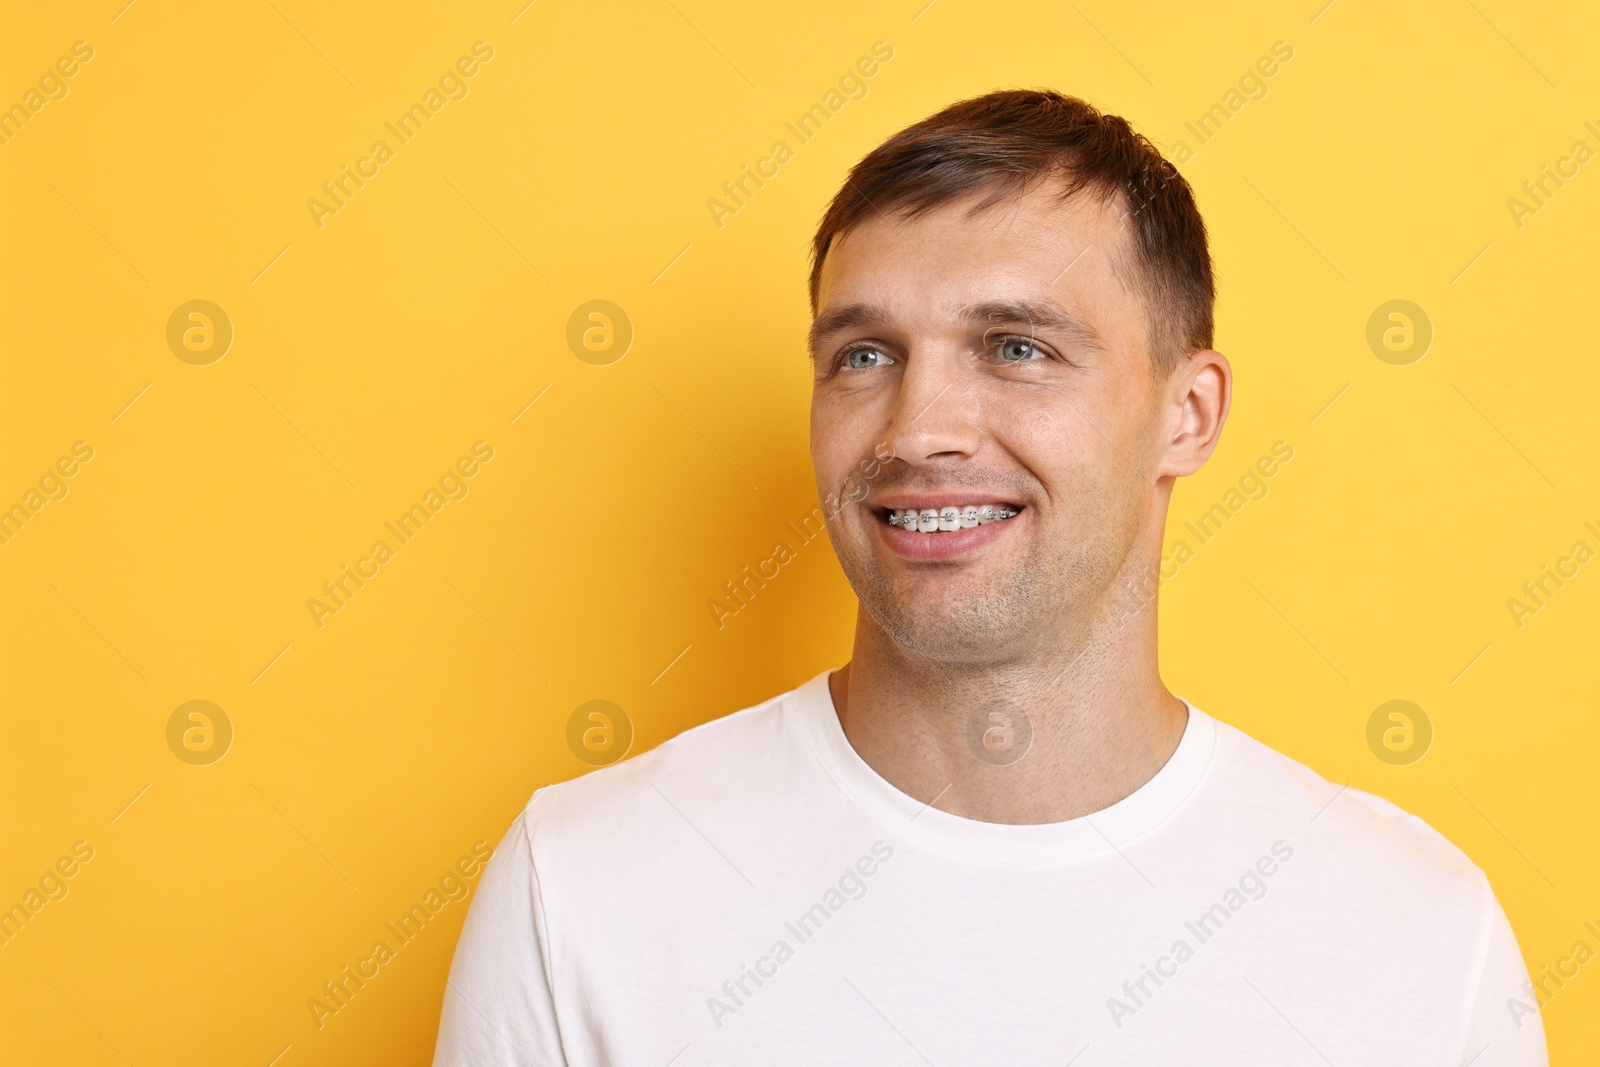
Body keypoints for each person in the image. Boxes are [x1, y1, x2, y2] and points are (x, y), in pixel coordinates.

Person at [432, 89, 1546, 1065]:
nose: (918, 431)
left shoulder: (1413, 932)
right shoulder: (581, 889)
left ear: (1186, 413)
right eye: (862, 356)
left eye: (1016, 347)